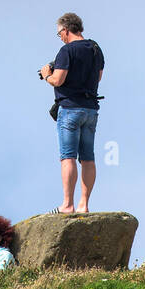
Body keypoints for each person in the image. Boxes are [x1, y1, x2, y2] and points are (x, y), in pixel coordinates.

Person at [38, 12, 104, 213]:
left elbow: (59, 80)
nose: (60, 37)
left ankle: (67, 204)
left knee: (67, 156)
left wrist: (46, 75)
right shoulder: (95, 49)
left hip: (70, 109)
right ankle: (84, 204)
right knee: (88, 158)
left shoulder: (66, 51)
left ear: (66, 30)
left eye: (59, 34)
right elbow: (98, 77)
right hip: (91, 109)